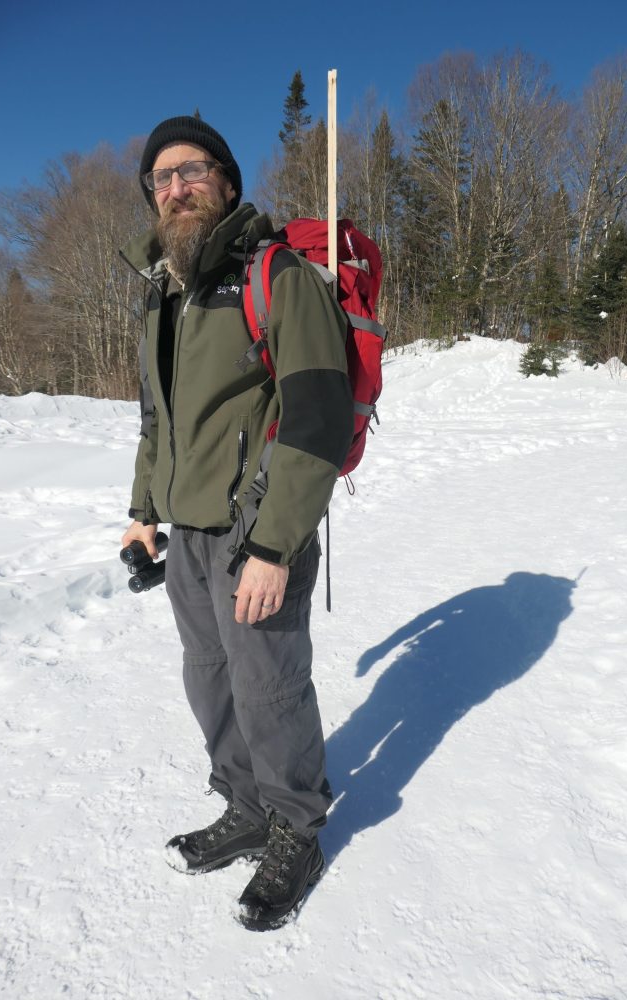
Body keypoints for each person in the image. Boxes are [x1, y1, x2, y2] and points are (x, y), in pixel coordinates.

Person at [120, 115, 353, 931]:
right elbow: (159, 421)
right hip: (186, 535)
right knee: (210, 677)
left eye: (190, 171)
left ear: (225, 180)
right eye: (160, 179)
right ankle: (246, 803)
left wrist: (274, 546)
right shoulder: (165, 291)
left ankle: (296, 825)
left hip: (258, 531)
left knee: (269, 685)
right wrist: (141, 513)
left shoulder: (276, 274)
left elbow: (317, 417)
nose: (174, 187)